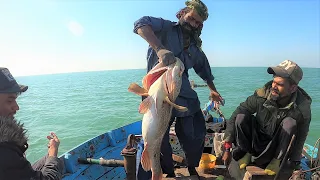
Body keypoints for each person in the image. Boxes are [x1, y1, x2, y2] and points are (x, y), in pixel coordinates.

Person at [133, 0, 224, 178]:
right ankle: (163, 172)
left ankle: (191, 166)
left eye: (198, 23)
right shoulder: (164, 27)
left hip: (182, 92)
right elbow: (140, 24)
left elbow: (203, 68)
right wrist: (159, 49)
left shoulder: (194, 47)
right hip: (158, 92)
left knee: (196, 132)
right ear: (182, 13)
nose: (194, 24)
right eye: (191, 18)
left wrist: (212, 89)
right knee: (156, 138)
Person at [222, 60, 312, 176]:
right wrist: (227, 146)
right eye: (274, 82)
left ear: (293, 88)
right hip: (256, 140)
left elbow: (301, 135)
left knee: (290, 123)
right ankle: (247, 153)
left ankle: (276, 161)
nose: (274, 86)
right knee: (241, 116)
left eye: (280, 84)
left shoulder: (302, 107)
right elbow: (236, 114)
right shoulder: (262, 94)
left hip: (276, 147)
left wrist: (295, 161)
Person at [0, 67, 63, 180]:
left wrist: (49, 156)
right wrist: (53, 152)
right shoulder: (4, 150)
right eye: (10, 100)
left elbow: (19, 172)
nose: (17, 107)